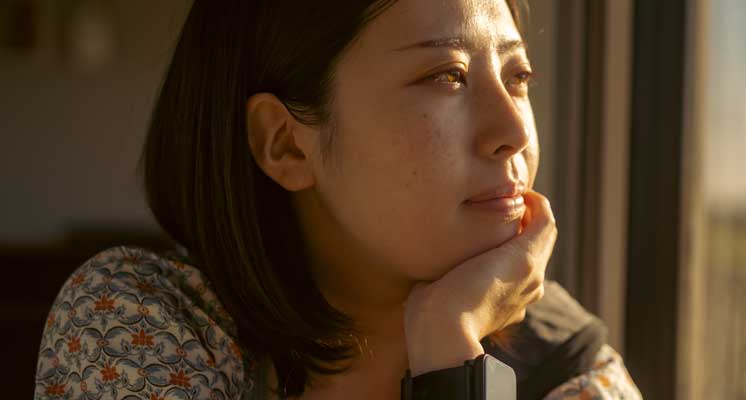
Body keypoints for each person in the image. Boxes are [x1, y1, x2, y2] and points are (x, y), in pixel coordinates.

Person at [32, 0, 642, 398]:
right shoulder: (140, 322)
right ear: (286, 145)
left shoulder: (574, 367)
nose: (512, 129)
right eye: (446, 76)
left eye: (518, 78)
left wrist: (450, 348)